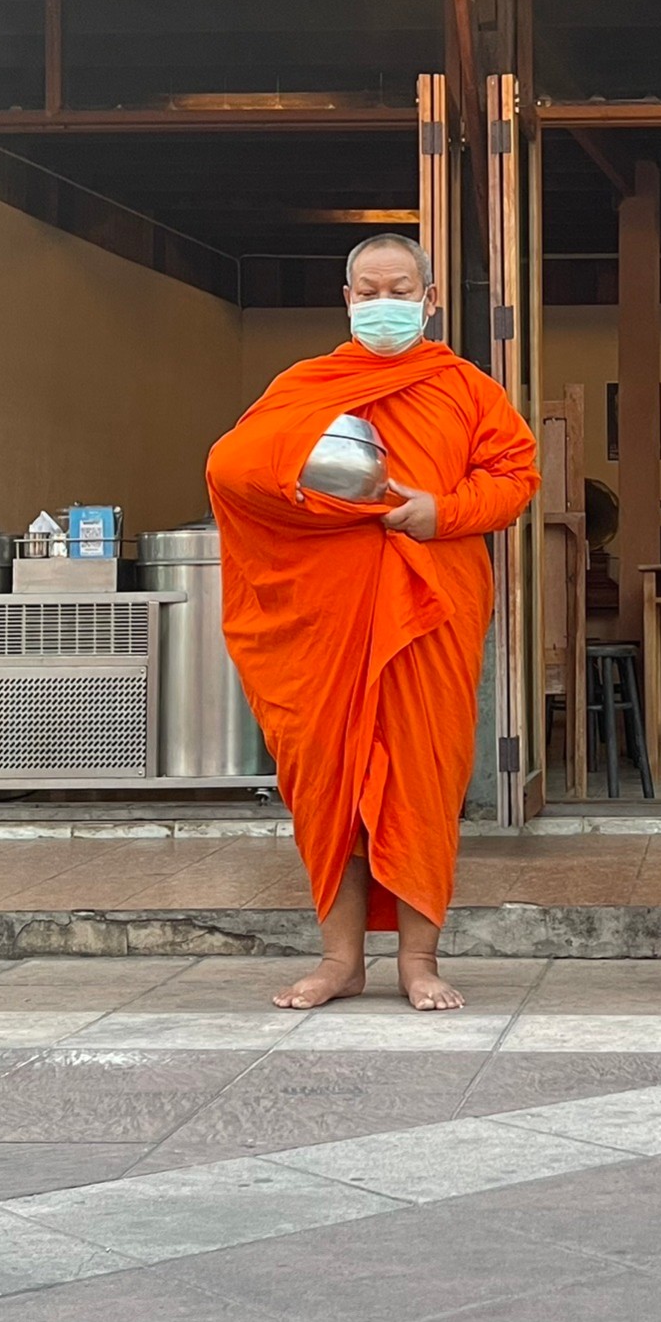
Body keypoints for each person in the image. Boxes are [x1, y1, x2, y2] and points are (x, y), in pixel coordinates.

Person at [208, 234, 538, 1011]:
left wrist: (442, 509)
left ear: (429, 300)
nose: (383, 302)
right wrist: (328, 496)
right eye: (368, 289)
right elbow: (231, 466)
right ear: (347, 297)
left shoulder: (465, 388)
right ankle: (340, 960)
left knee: (421, 784)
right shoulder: (306, 385)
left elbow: (516, 476)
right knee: (333, 788)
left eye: (400, 289)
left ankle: (418, 962)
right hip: (327, 623)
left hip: (427, 616)